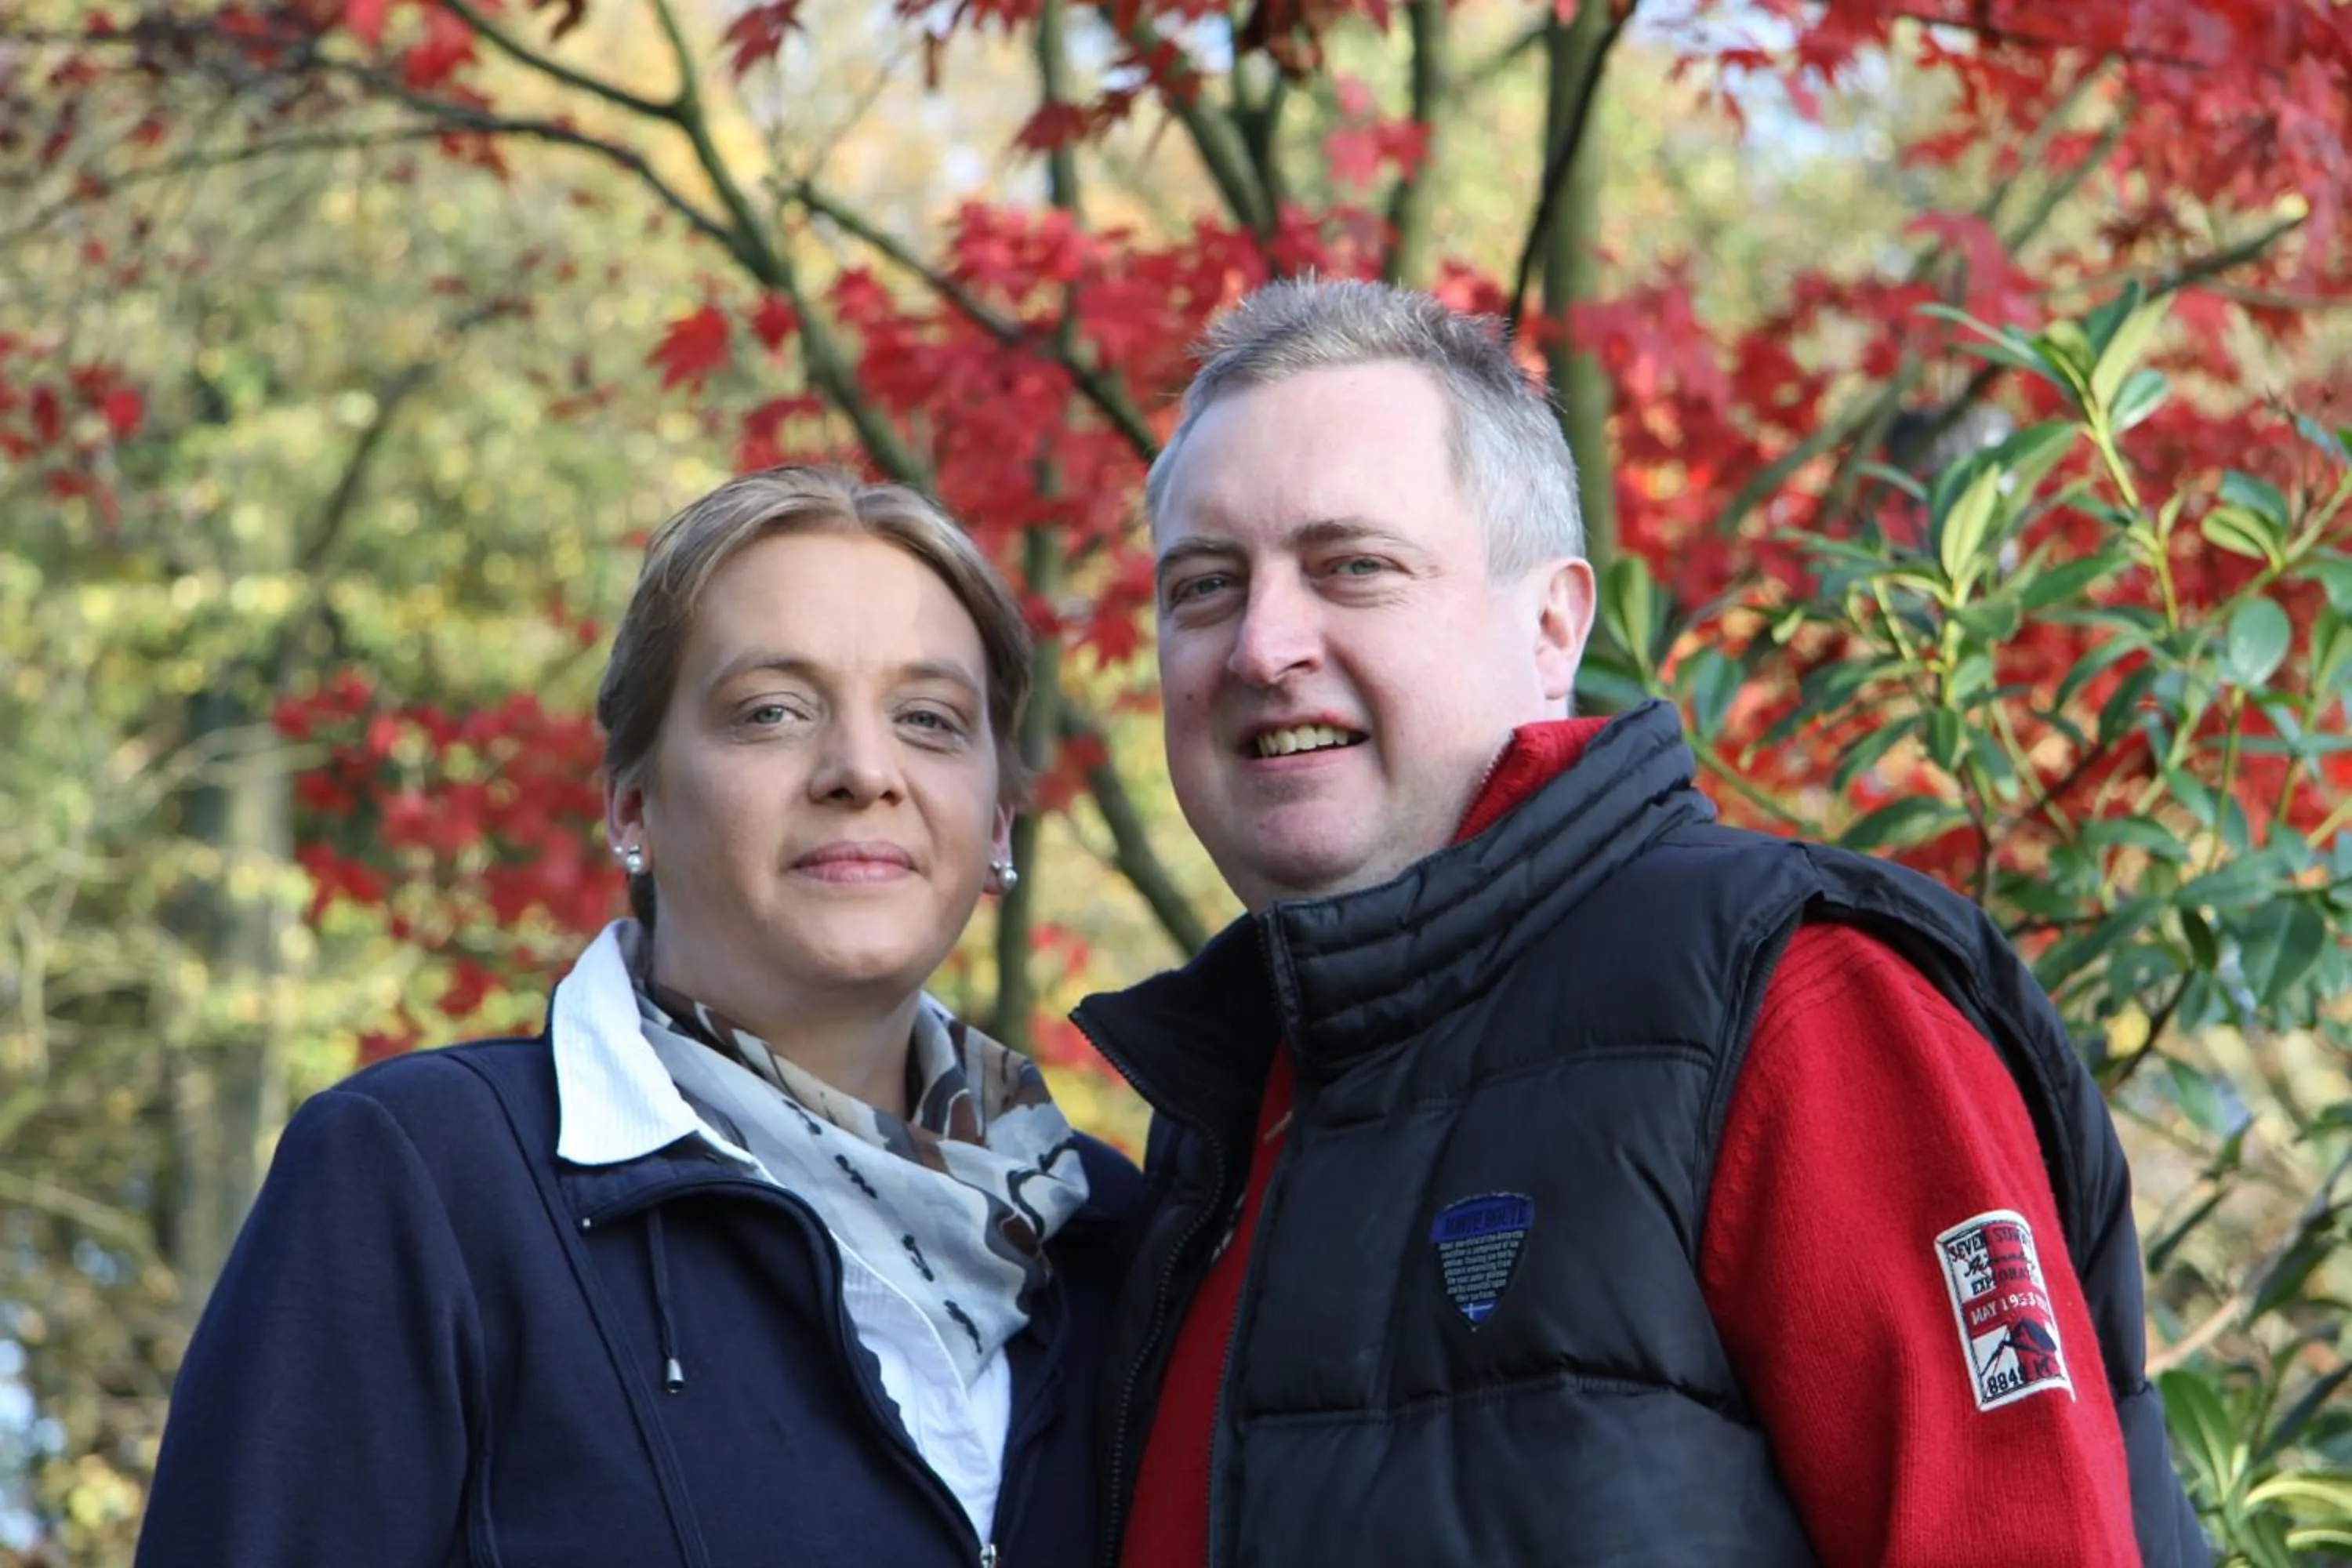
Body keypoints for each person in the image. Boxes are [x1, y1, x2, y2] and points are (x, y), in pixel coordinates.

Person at [1073, 280, 2207, 1566]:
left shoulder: (1788, 1001)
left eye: (1354, 568)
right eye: (1205, 587)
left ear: (1554, 622)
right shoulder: (1215, 1132)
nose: (1263, 643)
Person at [137, 466, 1141, 1566]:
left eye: (929, 719)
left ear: (997, 820)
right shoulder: (429, 1179)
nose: (863, 769)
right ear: (633, 808)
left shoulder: (1116, 1239)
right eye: (772, 711)